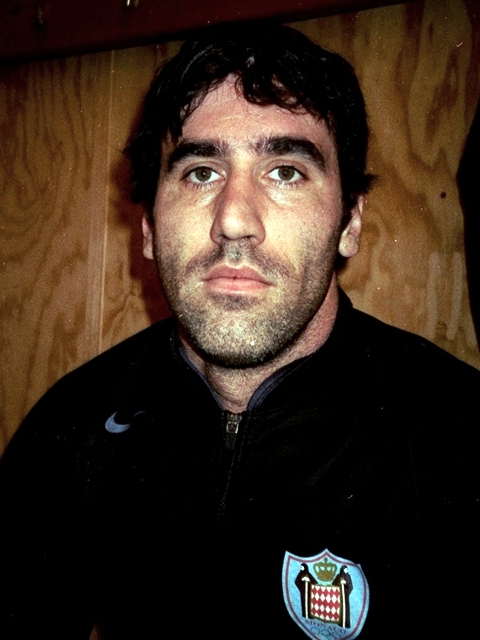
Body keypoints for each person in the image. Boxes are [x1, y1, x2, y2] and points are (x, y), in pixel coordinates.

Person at [0, 23, 478, 640]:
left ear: (350, 222)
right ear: (148, 228)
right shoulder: (72, 427)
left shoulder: (460, 438)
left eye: (286, 172)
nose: (233, 219)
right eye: (201, 172)